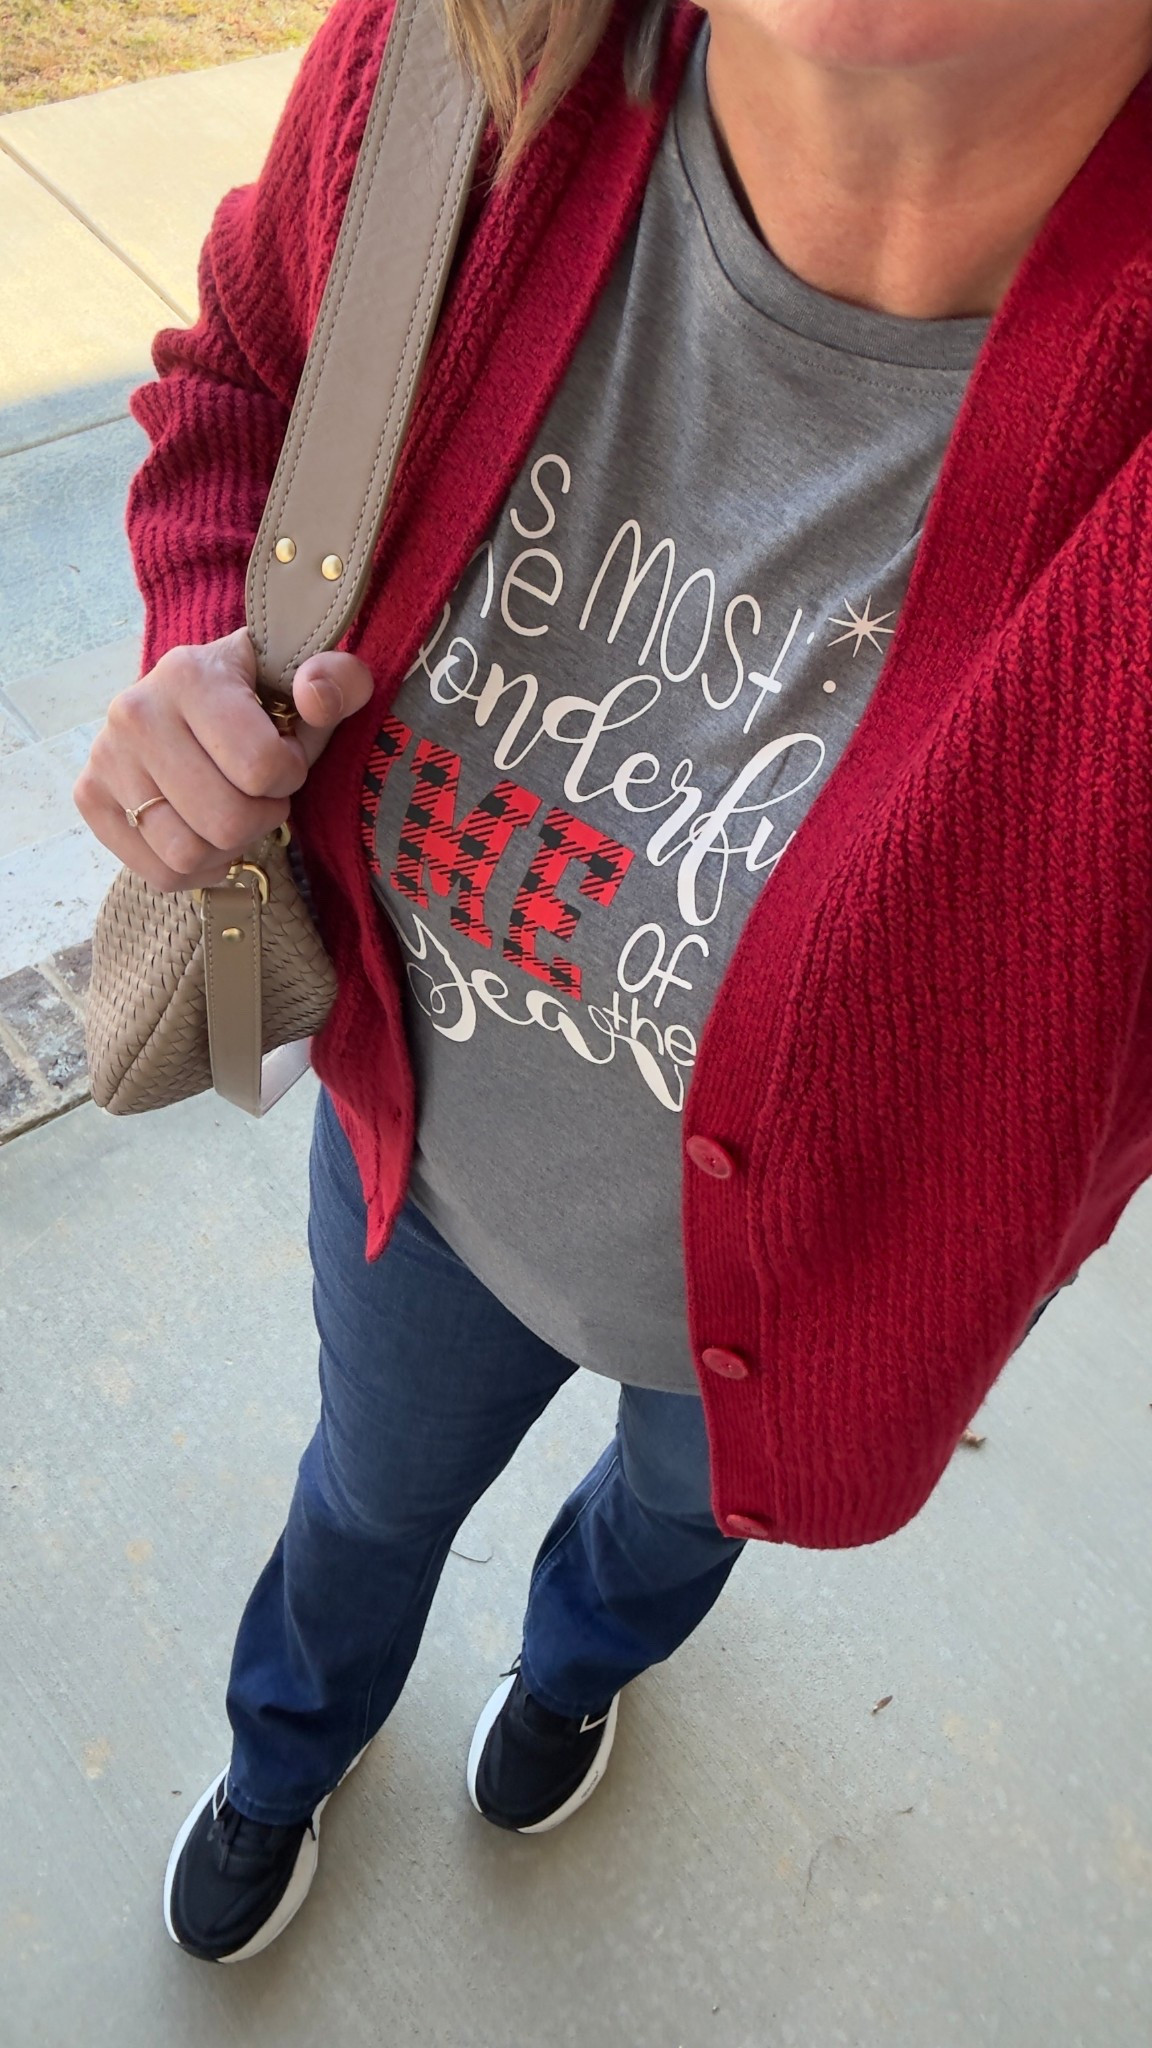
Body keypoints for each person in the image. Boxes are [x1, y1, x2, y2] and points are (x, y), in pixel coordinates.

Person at [75, 0, 1152, 1967]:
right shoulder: (461, 82)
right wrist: (211, 638)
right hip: (429, 1184)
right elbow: (245, 373)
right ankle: (283, 1754)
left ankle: (578, 1665)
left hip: (811, 1311)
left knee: (666, 1535)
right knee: (362, 1510)